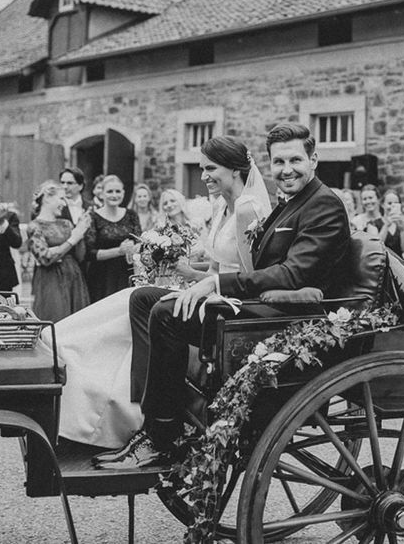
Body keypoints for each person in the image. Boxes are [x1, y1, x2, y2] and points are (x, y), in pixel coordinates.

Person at [97, 123, 351, 469]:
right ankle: (157, 412)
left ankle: (163, 436)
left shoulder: (324, 205)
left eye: (295, 160)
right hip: (262, 302)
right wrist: (208, 279)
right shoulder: (290, 202)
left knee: (167, 314)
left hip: (285, 315)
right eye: (278, 162)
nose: (286, 170)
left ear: (314, 160)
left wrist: (217, 285)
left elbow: (294, 274)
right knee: (144, 299)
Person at [43, 135, 272, 448]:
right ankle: (141, 400)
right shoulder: (222, 207)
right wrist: (187, 274)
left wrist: (200, 288)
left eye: (210, 168)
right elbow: (217, 270)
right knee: (140, 296)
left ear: (235, 169)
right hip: (213, 292)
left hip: (231, 306)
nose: (204, 176)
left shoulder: (247, 209)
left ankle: (162, 421)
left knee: (159, 308)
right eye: (201, 168)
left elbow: (247, 277)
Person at [27, 181, 90, 322]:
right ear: (48, 198)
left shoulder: (66, 224)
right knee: (55, 322)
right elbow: (45, 258)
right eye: (61, 198)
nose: (65, 203)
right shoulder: (35, 226)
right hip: (50, 281)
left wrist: (81, 231)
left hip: (74, 277)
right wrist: (73, 239)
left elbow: (80, 256)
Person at [84, 174, 141, 301]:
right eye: (110, 191)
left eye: (118, 191)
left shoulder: (131, 215)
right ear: (102, 194)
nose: (114, 195)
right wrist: (119, 251)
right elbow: (89, 254)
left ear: (123, 192)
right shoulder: (93, 217)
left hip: (126, 273)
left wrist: (135, 248)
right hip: (101, 277)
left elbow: (140, 242)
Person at [379, 188, 404, 257]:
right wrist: (386, 225)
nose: (392, 206)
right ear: (382, 205)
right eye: (389, 203)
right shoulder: (374, 223)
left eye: (396, 203)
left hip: (398, 262)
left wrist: (402, 230)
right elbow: (376, 247)